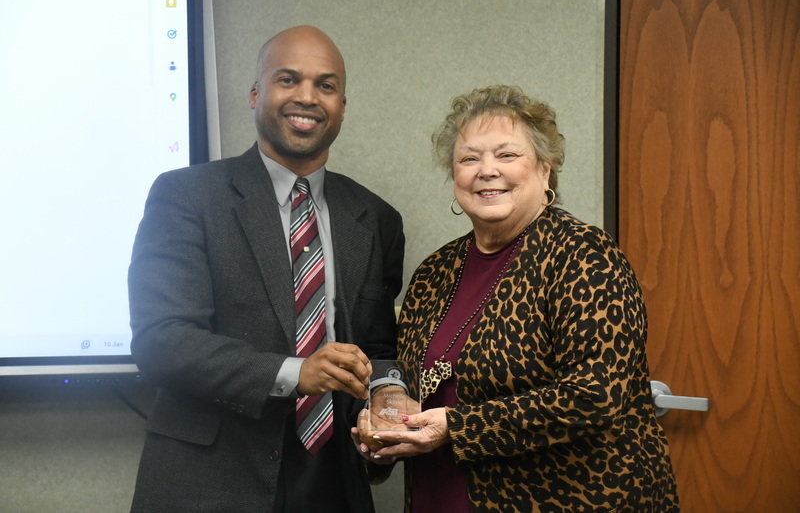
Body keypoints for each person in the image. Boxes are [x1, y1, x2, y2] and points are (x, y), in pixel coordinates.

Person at [356, 85, 679, 511]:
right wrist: (385, 424)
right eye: (469, 159)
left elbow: (593, 397)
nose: (487, 170)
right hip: (440, 496)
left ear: (545, 169)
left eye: (506, 155)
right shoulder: (434, 272)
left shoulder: (584, 255)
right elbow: (413, 382)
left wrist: (457, 427)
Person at [128, 25, 405, 513]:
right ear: (256, 93)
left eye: (325, 85)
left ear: (342, 105)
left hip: (334, 479)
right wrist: (297, 373)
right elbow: (162, 342)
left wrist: (386, 401)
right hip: (211, 482)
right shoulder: (186, 196)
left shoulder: (376, 218)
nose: (307, 97)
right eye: (288, 79)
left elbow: (378, 349)